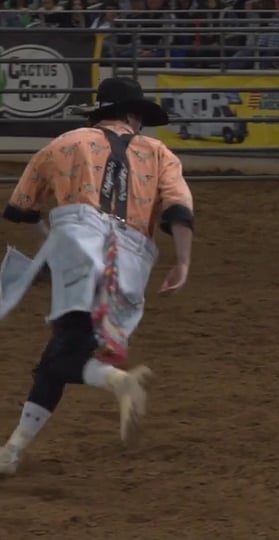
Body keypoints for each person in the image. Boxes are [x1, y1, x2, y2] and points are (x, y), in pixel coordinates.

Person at [0, 77, 196, 476]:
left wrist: (56, 250)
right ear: (133, 115)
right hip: (130, 259)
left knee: (62, 356)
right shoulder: (160, 154)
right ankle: (13, 450)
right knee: (60, 355)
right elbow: (178, 210)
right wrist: (183, 262)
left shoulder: (65, 143)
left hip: (78, 238)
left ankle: (116, 382)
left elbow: (22, 209)